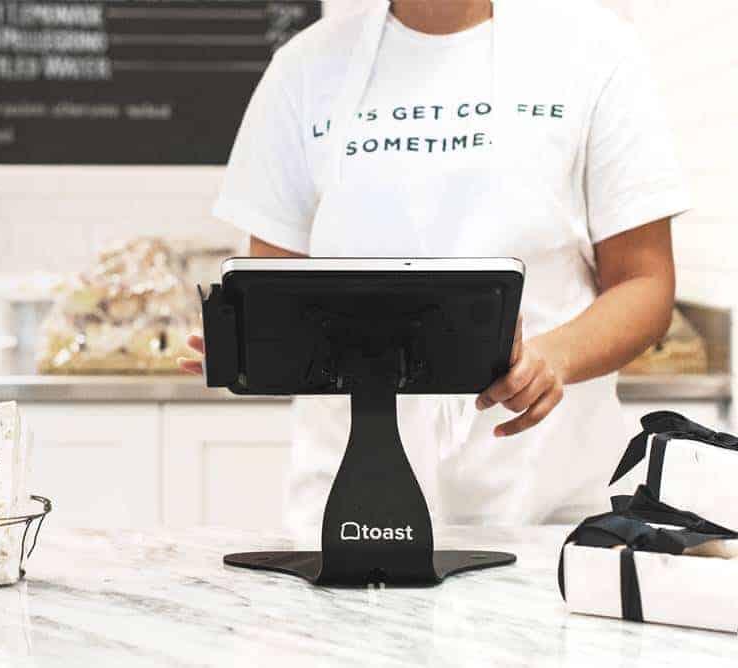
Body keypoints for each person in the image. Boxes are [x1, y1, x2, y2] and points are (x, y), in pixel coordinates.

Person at [181, 0, 689, 532]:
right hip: (347, 505)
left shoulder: (596, 50)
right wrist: (247, 342)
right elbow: (273, 286)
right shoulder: (303, 69)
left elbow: (645, 281)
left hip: (542, 502)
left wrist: (552, 359)